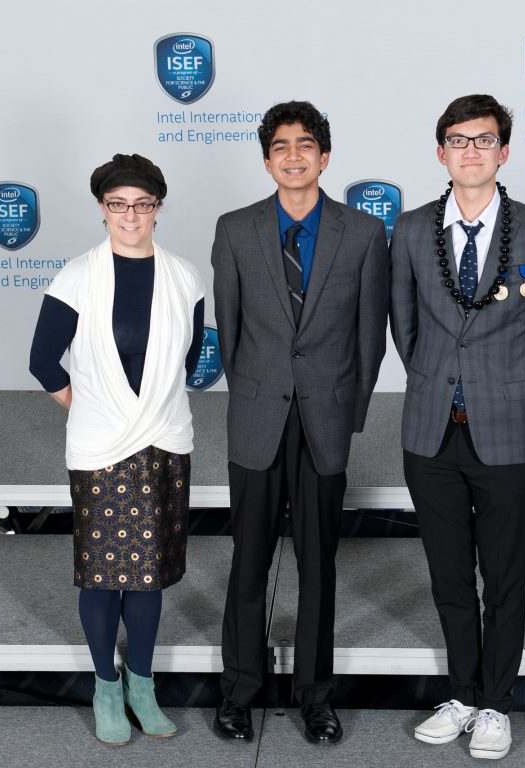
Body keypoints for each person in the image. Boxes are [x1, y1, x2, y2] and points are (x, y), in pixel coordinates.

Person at [390, 95, 525, 760]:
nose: (470, 151)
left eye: (483, 140)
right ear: (440, 151)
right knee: (449, 577)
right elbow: (405, 328)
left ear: (503, 151)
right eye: (458, 140)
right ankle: (463, 695)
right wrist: (439, 384)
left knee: (504, 577)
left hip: (507, 431)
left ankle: (497, 703)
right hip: (431, 432)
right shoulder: (410, 230)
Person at [211, 100, 389, 744]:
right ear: (267, 161)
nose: (294, 156)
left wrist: (348, 415)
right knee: (248, 563)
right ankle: (240, 692)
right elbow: (229, 331)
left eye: (306, 145)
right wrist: (254, 395)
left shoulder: (363, 233)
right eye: (281, 146)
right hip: (257, 418)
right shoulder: (235, 229)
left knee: (318, 567)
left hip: (324, 421)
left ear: (325, 157)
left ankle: (316, 697)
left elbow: (370, 338)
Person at [29, 153, 204, 746]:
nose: (131, 215)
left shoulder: (185, 277)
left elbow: (183, 362)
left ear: (158, 208)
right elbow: (42, 360)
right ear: (102, 209)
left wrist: (140, 411)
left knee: (149, 576)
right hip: (101, 448)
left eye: (142, 204)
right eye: (118, 204)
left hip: (164, 440)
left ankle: (142, 685)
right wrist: (90, 408)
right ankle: (107, 685)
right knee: (103, 577)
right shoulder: (76, 276)